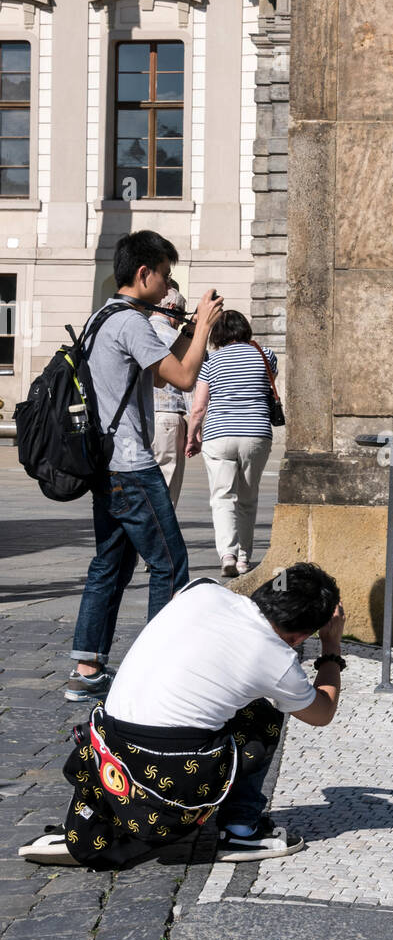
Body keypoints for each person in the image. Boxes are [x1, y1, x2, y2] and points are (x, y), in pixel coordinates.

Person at [21, 563, 345, 869]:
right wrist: (331, 646)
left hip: (106, 750)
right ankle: (242, 830)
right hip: (169, 784)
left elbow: (185, 605)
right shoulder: (275, 658)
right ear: (299, 637)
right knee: (263, 714)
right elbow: (321, 712)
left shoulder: (202, 590)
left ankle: (94, 822)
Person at [65, 231, 223, 703]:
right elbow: (184, 374)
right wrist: (205, 327)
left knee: (109, 565)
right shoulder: (132, 322)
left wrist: (191, 327)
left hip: (104, 464)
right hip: (132, 465)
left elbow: (161, 367)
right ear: (144, 273)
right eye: (166, 275)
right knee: (170, 564)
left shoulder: (101, 318)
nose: (168, 283)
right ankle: (155, 672)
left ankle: (86, 668)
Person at [186, 310, 278, 579]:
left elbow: (199, 407)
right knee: (248, 499)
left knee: (223, 497)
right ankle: (244, 559)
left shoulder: (211, 361)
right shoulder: (266, 355)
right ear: (245, 329)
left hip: (219, 435)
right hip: (256, 433)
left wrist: (193, 436)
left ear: (217, 334)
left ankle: (228, 554)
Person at [150, 284, 191, 506]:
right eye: (181, 316)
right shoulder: (177, 339)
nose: (180, 321)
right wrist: (195, 429)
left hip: (139, 419)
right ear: (172, 307)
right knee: (166, 489)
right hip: (168, 418)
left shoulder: (139, 332)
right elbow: (190, 387)